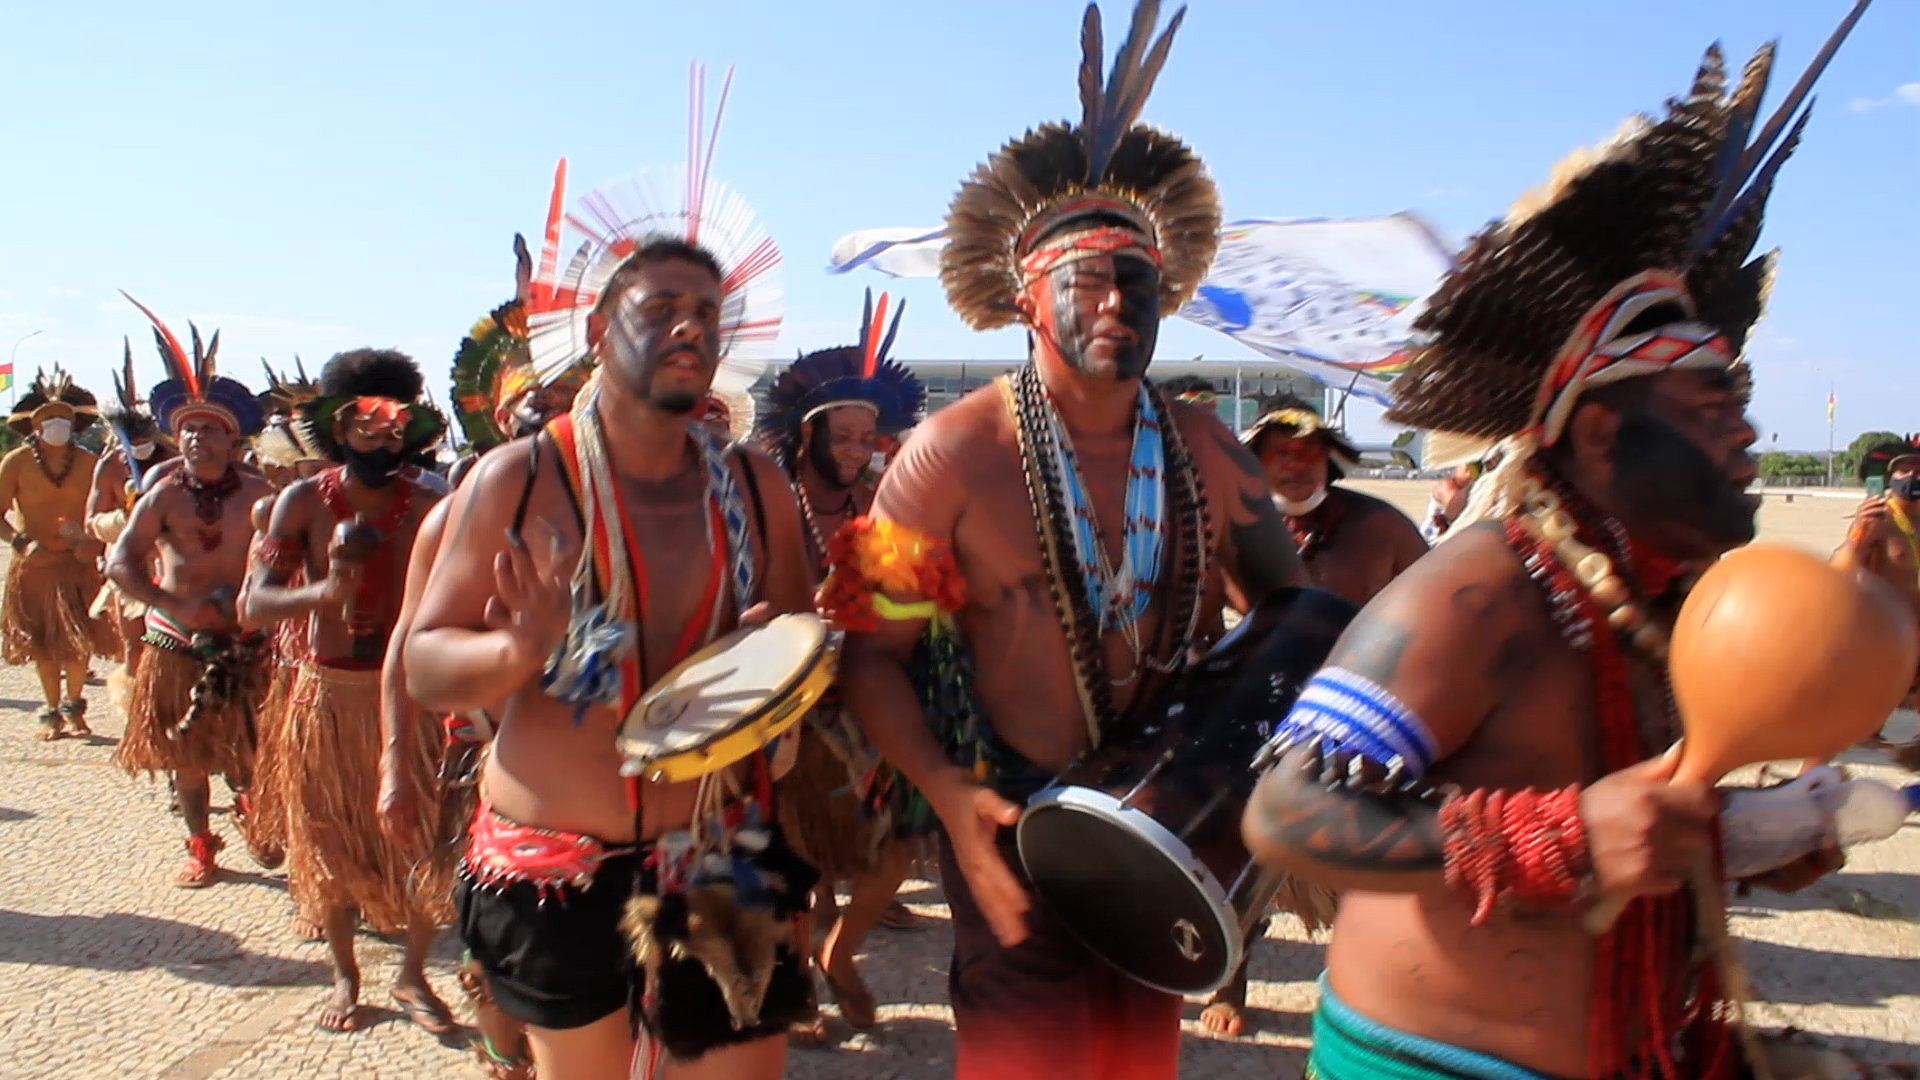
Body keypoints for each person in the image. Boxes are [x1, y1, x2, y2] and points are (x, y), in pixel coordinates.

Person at [1240, 27, 1868, 1078]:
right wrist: (1564, 838)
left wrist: (1741, 839)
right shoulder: (1480, 588)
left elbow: (1637, 807)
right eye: (1715, 403)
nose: (1748, 435)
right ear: (1601, 435)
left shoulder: (1669, 598)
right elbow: (1289, 811)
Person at [834, 6, 1305, 1077]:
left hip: (1162, 831)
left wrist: (1231, 764)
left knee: (1136, 1056)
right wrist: (949, 803)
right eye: (1085, 279)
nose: (1115, 301)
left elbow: (1296, 616)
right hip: (1013, 824)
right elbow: (870, 655)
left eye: (1136, 280)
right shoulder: (945, 460)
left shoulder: (1207, 452)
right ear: (1025, 303)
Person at [404, 113, 817, 1080]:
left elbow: (807, 644)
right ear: (596, 332)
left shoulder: (756, 488)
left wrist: (779, 655)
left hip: (719, 850)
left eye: (710, 313)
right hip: (555, 866)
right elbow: (426, 661)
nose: (691, 327)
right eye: (662, 306)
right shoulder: (520, 480)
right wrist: (515, 651)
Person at [391, 220, 589, 1080]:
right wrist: (397, 761)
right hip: (478, 758)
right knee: (487, 946)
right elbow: (413, 648)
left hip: (597, 776)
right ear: (498, 415)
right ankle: (503, 1056)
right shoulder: (456, 511)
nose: (543, 419)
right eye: (529, 407)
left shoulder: (623, 507)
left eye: (561, 401)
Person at [241, 349, 455, 1035]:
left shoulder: (434, 504)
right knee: (327, 840)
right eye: (365, 424)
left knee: (423, 836)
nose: (381, 436)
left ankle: (415, 976)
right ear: (339, 427)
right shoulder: (301, 501)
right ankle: (345, 973)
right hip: (324, 697)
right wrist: (324, 592)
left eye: (395, 425)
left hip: (411, 698)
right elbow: (254, 603)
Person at [754, 289, 930, 1042]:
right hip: (781, 710)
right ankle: (794, 985)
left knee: (889, 855)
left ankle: (839, 951)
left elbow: (906, 601)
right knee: (789, 862)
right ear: (808, 432)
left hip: (862, 701)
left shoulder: (883, 503)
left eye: (871, 435)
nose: (861, 446)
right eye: (847, 434)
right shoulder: (763, 499)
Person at [107, 306, 275, 886]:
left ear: (233, 439)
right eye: (188, 430)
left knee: (252, 750)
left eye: (209, 429)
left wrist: (261, 600)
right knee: (186, 754)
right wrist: (173, 603)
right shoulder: (162, 492)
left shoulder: (261, 492)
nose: (196, 438)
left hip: (246, 639)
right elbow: (120, 560)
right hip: (176, 639)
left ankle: (257, 810)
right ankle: (200, 843)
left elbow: (290, 559)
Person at [0, 367, 115, 739]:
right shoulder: (15, 462)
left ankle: (75, 707)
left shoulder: (90, 464)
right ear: (34, 424)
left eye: (63, 418)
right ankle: (50, 710)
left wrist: (88, 538)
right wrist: (20, 542)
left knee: (79, 641)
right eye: (48, 418)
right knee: (46, 644)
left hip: (78, 565)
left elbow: (106, 515)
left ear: (75, 422)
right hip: (34, 568)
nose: (56, 424)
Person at [1241, 394, 1428, 608]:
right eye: (1281, 453)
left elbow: (1437, 601)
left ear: (1328, 459)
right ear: (1254, 461)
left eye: (1310, 452)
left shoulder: (1384, 527)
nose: (1297, 465)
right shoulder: (1234, 530)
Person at [87, 341, 179, 676]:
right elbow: (91, 522)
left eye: (146, 436)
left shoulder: (174, 461)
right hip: (128, 563)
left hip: (172, 565)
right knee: (134, 643)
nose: (140, 444)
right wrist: (127, 516)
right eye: (133, 439)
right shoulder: (110, 466)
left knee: (169, 643)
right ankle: (136, 716)